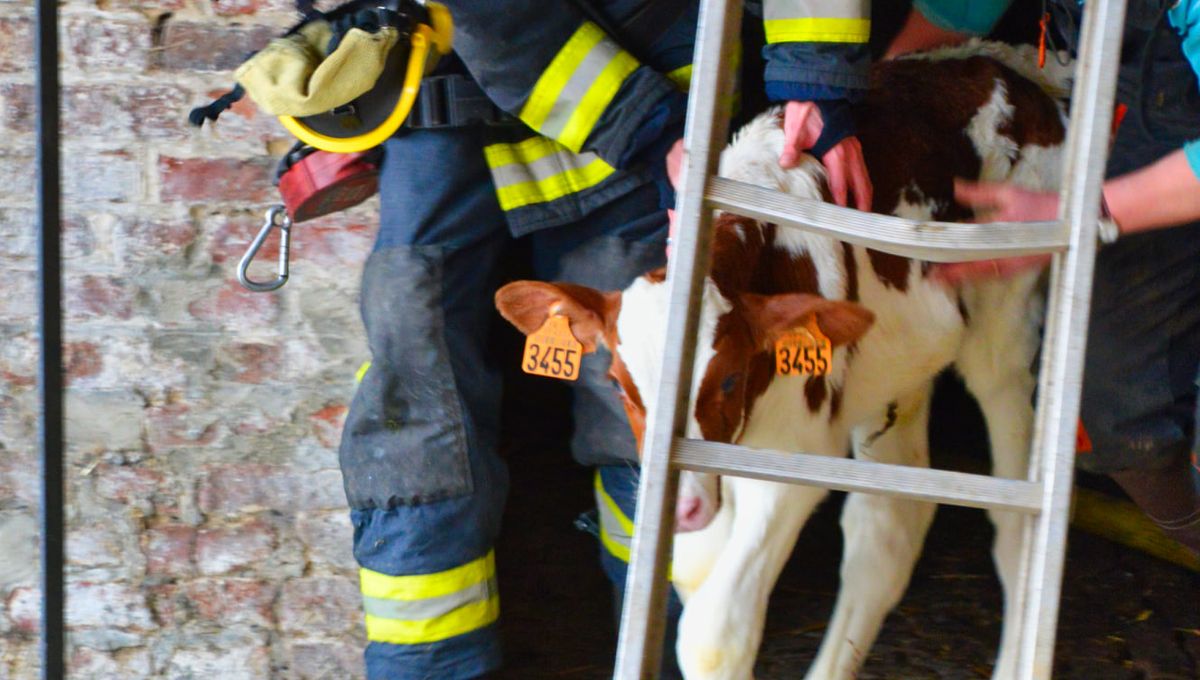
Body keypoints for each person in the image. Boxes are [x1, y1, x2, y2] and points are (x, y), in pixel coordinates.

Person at [335, 2, 888, 678]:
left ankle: (668, 659)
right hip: (458, 106)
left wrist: (817, 79)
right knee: (413, 406)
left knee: (661, 392)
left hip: (650, 101)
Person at [848, 0, 1200, 556]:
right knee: (1099, 396)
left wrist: (1086, 211)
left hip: (1176, 106)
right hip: (1151, 90)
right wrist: (894, 85)